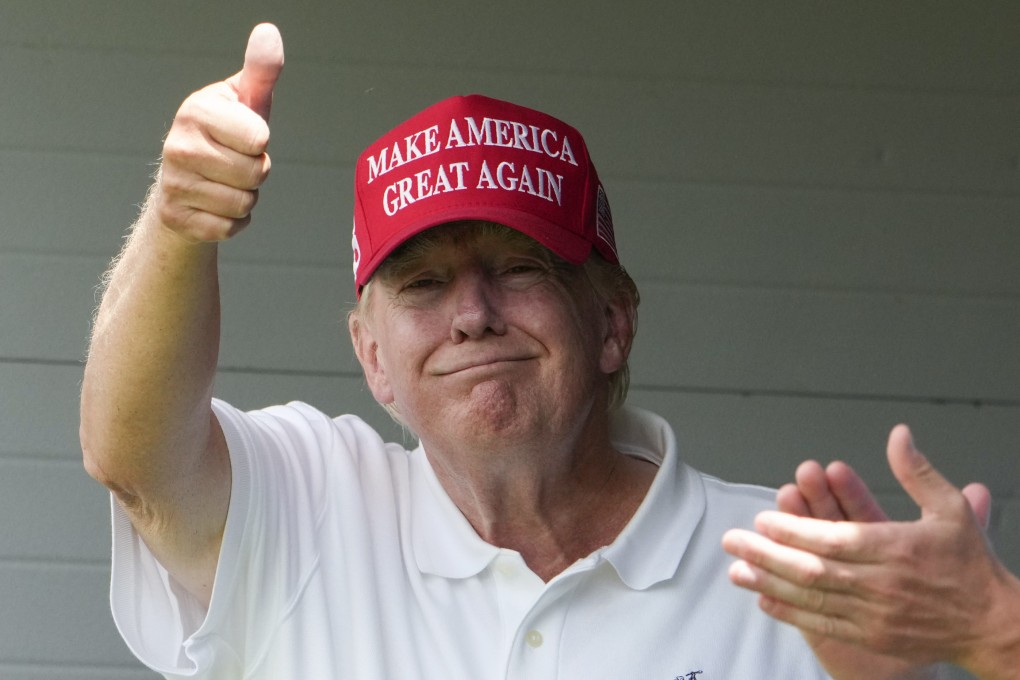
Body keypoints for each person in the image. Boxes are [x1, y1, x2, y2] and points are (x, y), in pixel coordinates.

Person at [79, 23, 1019, 680]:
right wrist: (175, 223)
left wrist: (953, 655)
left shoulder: (790, 567)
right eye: (424, 285)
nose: (474, 314)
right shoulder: (309, 506)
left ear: (612, 323)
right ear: (371, 358)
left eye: (518, 267)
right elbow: (133, 459)